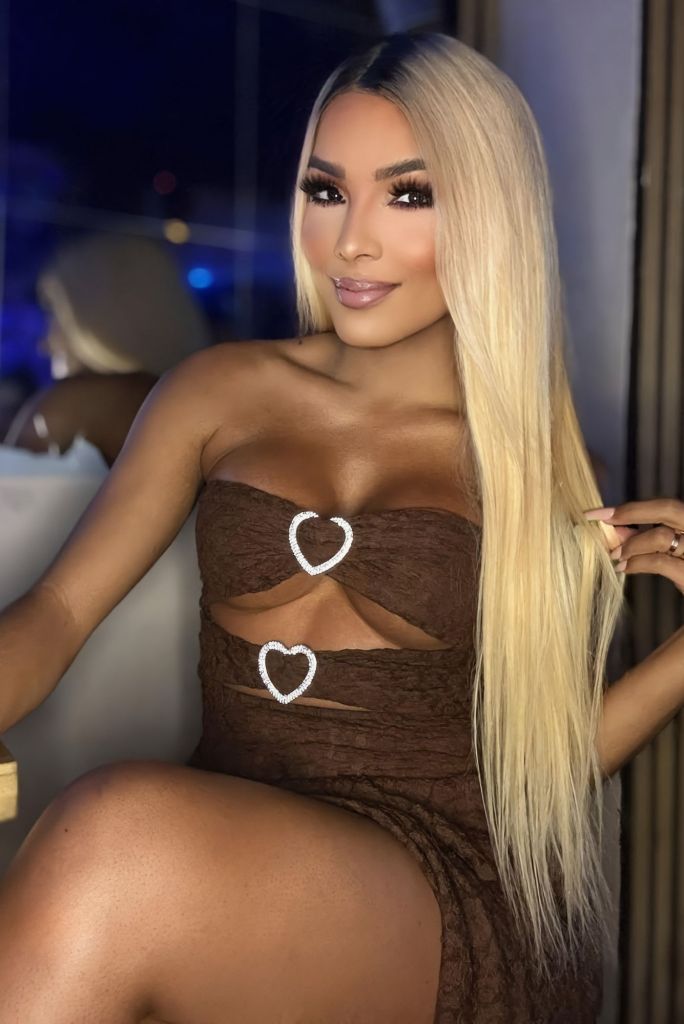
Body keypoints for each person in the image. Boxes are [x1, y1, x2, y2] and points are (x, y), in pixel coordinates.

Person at [0, 29, 683, 1024]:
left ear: (490, 215)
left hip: (441, 883)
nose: (351, 241)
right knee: (113, 846)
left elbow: (547, 759)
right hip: (238, 850)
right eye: (327, 190)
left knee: (111, 837)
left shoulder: (539, 469)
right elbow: (58, 612)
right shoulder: (220, 391)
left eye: (408, 196)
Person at [3, 233, 211, 466]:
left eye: (54, 314)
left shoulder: (73, 403)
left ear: (93, 322)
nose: (45, 344)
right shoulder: (200, 404)